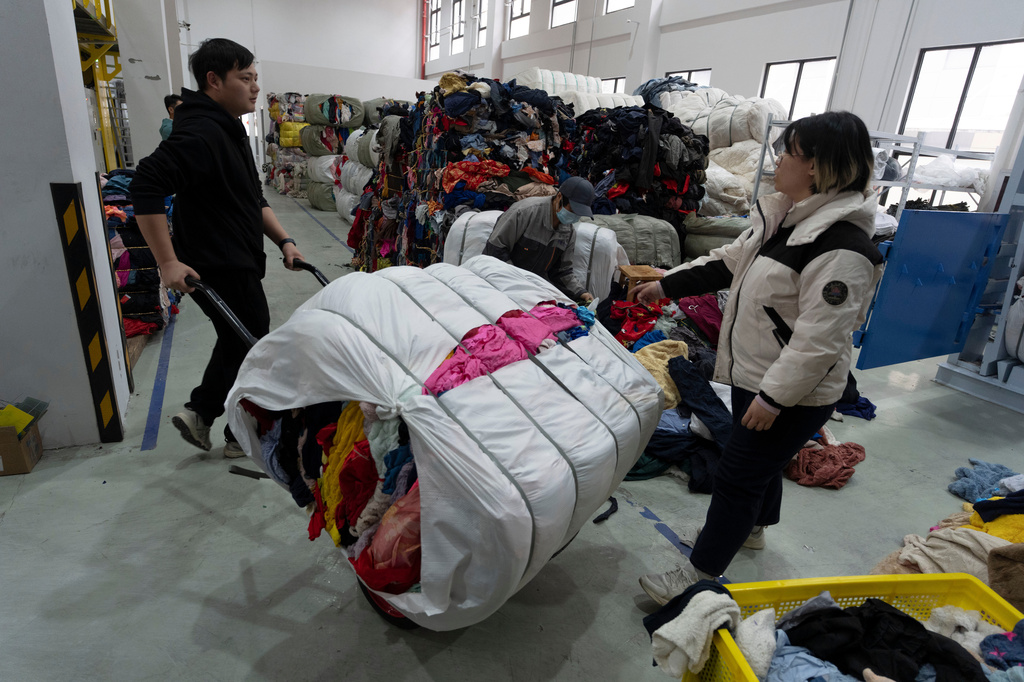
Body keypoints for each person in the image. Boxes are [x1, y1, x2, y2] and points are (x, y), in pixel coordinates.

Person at [634, 111, 884, 604]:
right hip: (758, 374)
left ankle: (699, 575)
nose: (777, 161)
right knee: (759, 465)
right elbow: (727, 263)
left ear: (816, 166)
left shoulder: (842, 249)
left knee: (739, 475)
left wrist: (773, 399)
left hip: (792, 392)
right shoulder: (786, 221)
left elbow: (819, 341)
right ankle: (751, 529)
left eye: (788, 152)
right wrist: (666, 285)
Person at [132, 38, 304, 459]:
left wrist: (285, 241)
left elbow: (252, 198)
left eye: (255, 77)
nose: (255, 87)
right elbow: (146, 184)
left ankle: (202, 414)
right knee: (251, 342)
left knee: (236, 338)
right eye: (244, 78)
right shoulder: (203, 132)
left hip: (236, 257)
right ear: (214, 80)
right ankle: (239, 433)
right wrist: (167, 262)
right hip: (218, 262)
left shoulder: (227, 129)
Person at [483, 175, 595, 302]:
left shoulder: (568, 233)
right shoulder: (524, 212)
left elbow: (561, 272)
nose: (575, 216)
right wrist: (520, 284)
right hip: (500, 283)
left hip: (532, 292)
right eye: (573, 210)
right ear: (559, 197)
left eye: (579, 214)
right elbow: (495, 251)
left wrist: (581, 292)